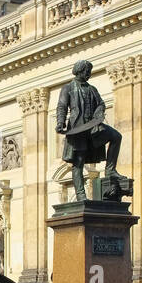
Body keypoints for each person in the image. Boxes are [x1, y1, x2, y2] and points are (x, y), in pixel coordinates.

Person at [56, 58, 123, 201]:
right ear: (79, 71)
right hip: (78, 128)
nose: (89, 74)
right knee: (78, 161)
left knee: (116, 137)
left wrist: (99, 113)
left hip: (93, 127)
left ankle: (110, 170)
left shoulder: (92, 89)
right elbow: (62, 106)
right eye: (87, 71)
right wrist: (60, 122)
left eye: (90, 71)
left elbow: (100, 104)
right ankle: (81, 195)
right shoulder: (68, 88)